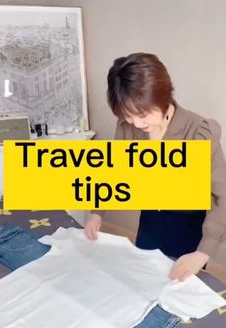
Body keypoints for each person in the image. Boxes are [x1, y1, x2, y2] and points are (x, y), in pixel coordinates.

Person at [85, 53, 226, 281]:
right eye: (129, 117)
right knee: (143, 281)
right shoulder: (128, 127)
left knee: (182, 294)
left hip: (188, 228)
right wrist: (96, 212)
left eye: (141, 115)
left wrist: (202, 253)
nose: (137, 125)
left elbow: (222, 195)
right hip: (149, 223)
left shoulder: (198, 132)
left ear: (163, 97)